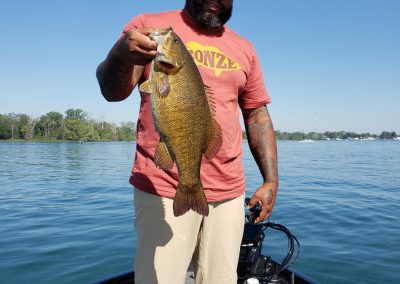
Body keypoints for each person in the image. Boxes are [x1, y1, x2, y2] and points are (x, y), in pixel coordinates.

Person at [96, 1, 278, 283]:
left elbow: (257, 114)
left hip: (229, 190)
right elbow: (112, 92)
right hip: (162, 186)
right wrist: (121, 54)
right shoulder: (149, 26)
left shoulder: (245, 48)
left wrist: (270, 181)